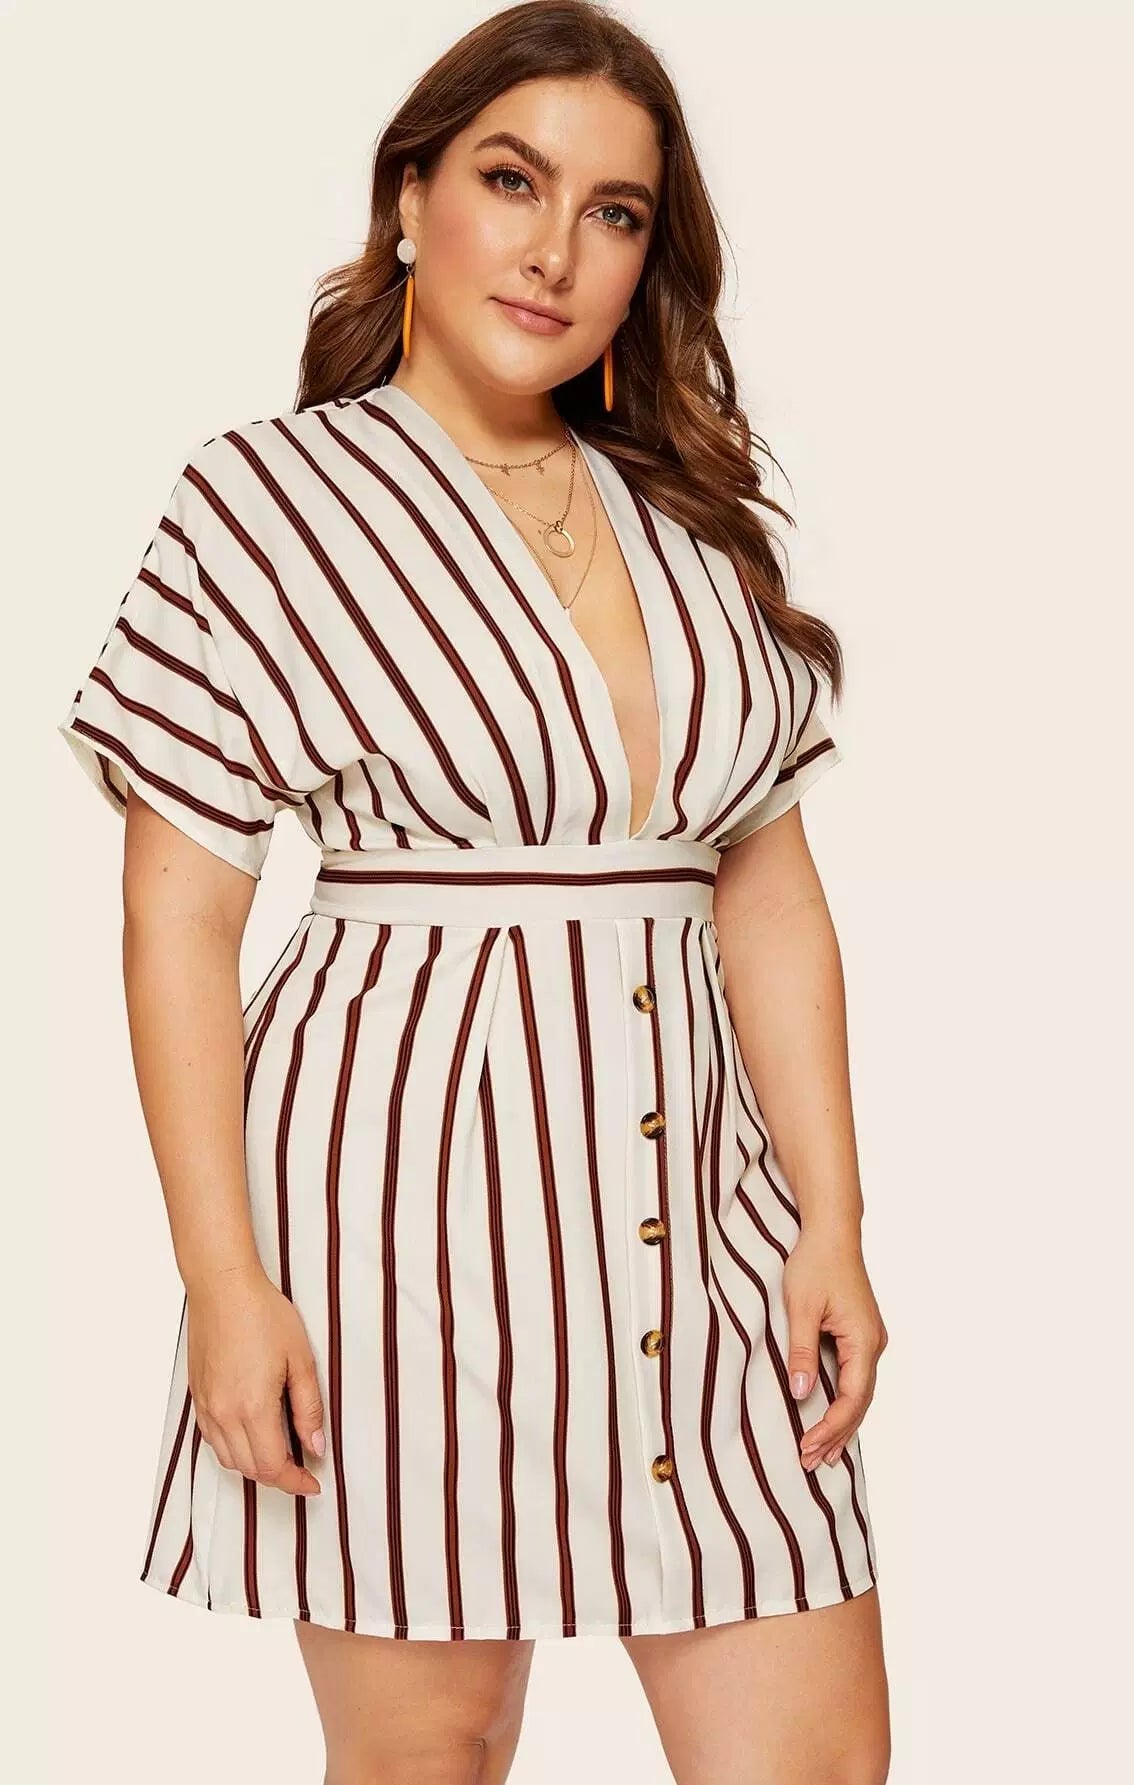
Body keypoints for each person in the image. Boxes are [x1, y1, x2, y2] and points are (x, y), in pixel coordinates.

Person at [56, 2, 891, 1777]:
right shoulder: (263, 502)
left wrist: (831, 1217)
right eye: (513, 181)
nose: (555, 248)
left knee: (817, 1757)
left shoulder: (692, 519)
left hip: (700, 1223)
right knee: (429, 1753)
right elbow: (178, 921)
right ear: (410, 197)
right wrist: (223, 1278)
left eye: (614, 211)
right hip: (392, 1217)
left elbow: (767, 893)